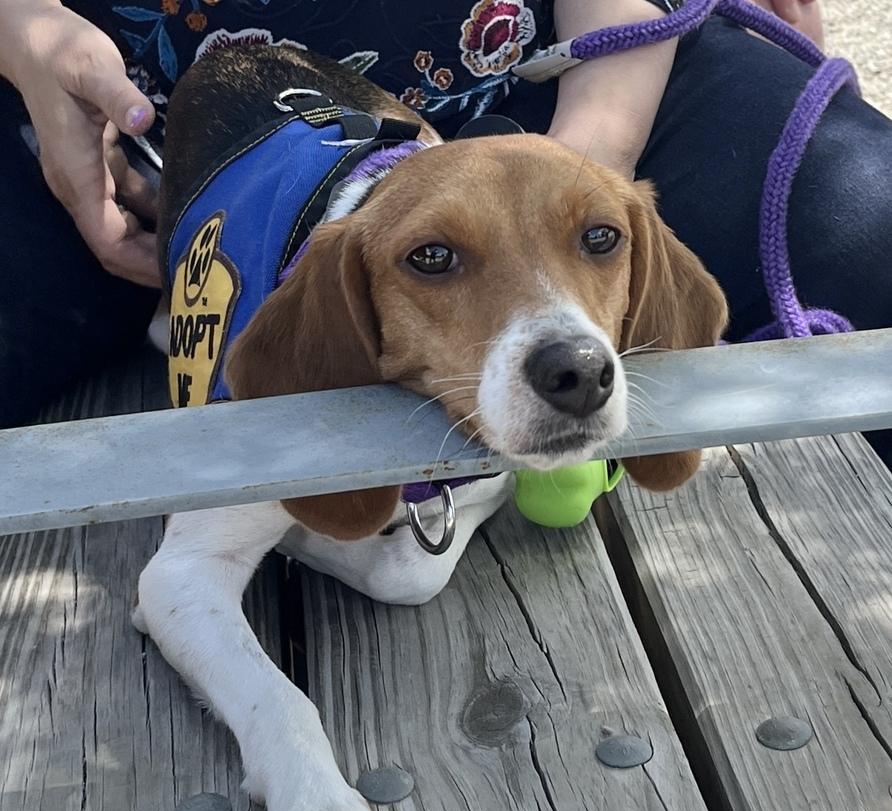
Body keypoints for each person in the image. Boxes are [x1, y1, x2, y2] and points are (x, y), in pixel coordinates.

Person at [0, 0, 889, 466]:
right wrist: (22, 34)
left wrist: (559, 183)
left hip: (541, 76)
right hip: (116, 117)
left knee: (873, 233)